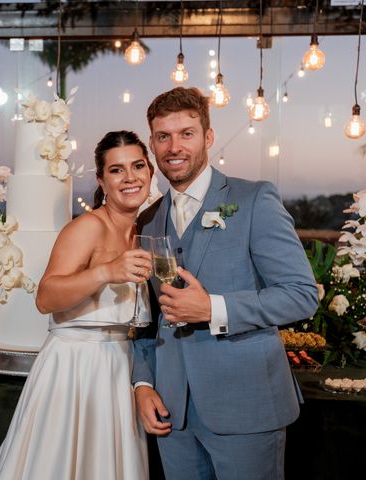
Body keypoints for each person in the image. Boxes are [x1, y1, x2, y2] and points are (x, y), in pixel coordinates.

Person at [133, 87, 319, 480]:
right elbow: (145, 321)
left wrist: (214, 308)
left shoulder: (253, 200)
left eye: (187, 133)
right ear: (152, 143)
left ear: (208, 137)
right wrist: (143, 383)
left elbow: (301, 296)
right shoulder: (148, 220)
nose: (174, 146)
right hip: (173, 414)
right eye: (163, 136)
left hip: (246, 407)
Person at [0, 131, 156, 480]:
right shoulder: (87, 227)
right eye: (117, 170)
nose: (130, 177)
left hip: (119, 368)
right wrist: (107, 271)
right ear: (101, 181)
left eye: (137, 166)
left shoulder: (147, 231)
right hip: (74, 368)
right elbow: (46, 297)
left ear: (150, 172)